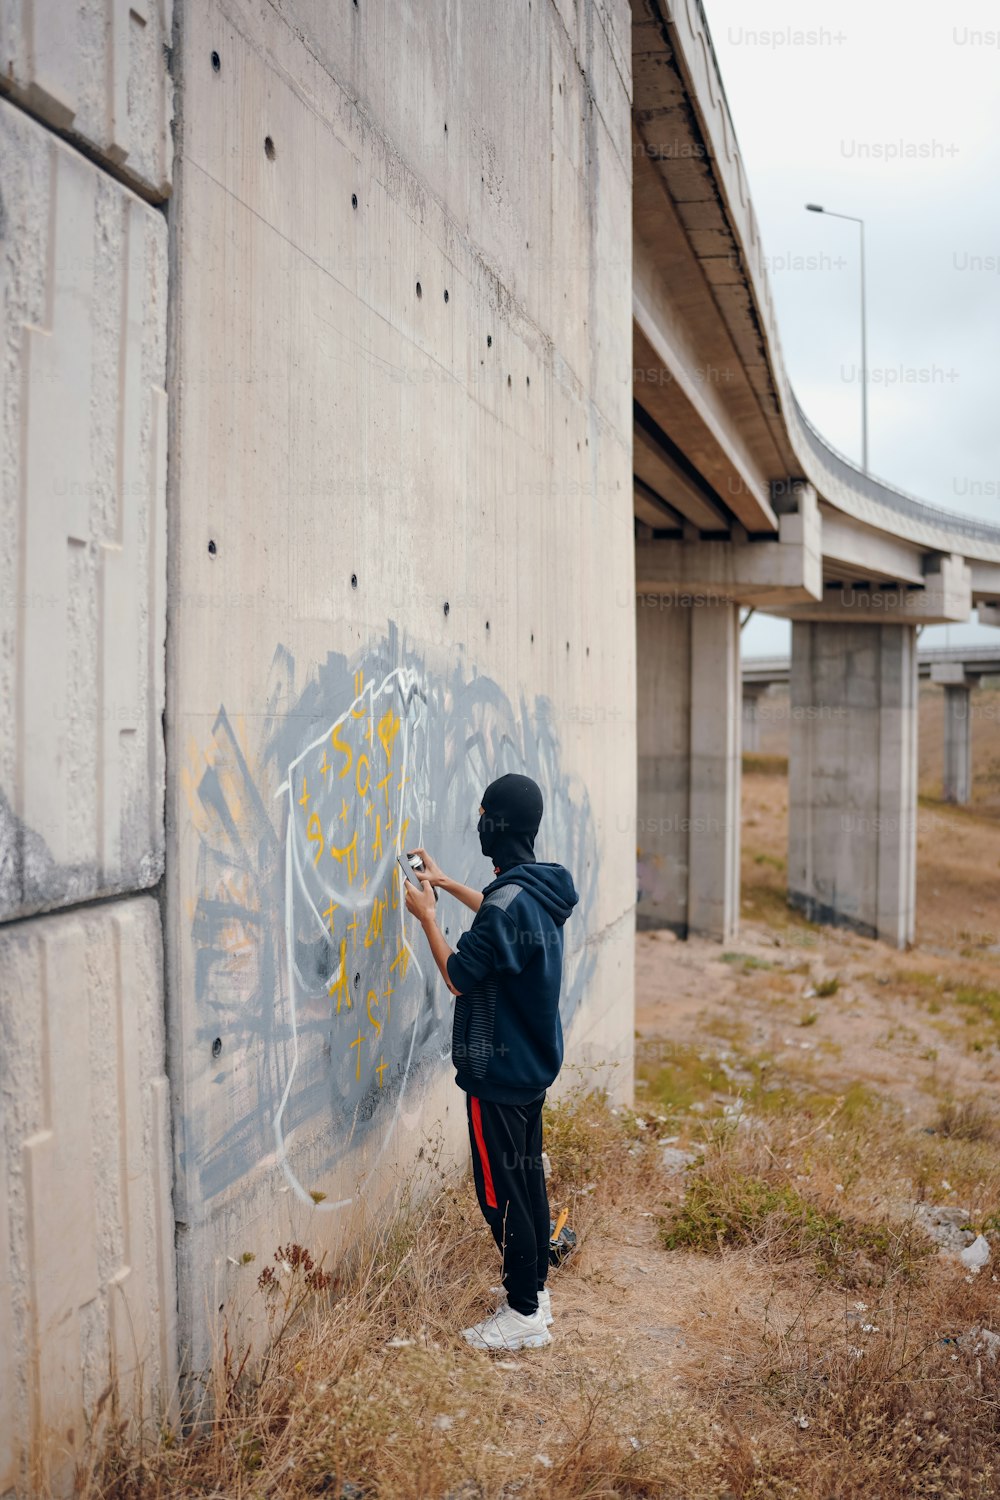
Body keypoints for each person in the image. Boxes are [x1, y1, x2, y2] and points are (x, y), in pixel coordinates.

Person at [403, 772, 579, 1352]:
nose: (477, 821)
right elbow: (501, 921)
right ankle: (537, 1295)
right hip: (531, 1068)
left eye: (482, 813)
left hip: (496, 1077)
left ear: (495, 824)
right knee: (526, 1180)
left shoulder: (509, 902)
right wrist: (448, 882)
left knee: (499, 1193)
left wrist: (426, 914)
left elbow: (458, 976)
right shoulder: (536, 890)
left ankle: (523, 1312)